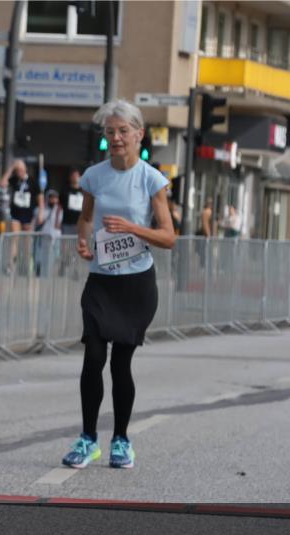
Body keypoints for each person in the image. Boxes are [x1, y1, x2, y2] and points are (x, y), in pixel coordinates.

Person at [61, 100, 174, 470]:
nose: (117, 138)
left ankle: (122, 440)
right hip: (102, 281)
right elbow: (87, 217)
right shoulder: (94, 176)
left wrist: (132, 229)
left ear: (139, 133)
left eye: (123, 131)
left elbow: (168, 237)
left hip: (137, 284)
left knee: (120, 363)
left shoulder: (151, 179)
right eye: (110, 132)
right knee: (93, 357)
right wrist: (82, 240)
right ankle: (88, 438)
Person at [0, 159, 42, 273]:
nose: (19, 173)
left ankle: (27, 264)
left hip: (28, 215)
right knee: (15, 238)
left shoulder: (32, 181)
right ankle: (11, 264)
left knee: (27, 241)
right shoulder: (15, 180)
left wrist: (41, 213)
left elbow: (40, 197)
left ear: (25, 170)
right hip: (16, 215)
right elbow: (3, 183)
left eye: (21, 170)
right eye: (17, 170)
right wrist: (11, 168)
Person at [33, 189, 62, 277]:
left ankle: (51, 273)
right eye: (51, 198)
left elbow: (58, 224)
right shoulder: (40, 209)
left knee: (53, 256)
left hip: (55, 237)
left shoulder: (59, 210)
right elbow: (39, 220)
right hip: (43, 236)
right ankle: (39, 271)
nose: (53, 200)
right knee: (40, 254)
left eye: (55, 198)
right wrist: (41, 206)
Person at [62, 167, 84, 237]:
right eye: (73, 176)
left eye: (76, 176)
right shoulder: (65, 190)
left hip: (80, 223)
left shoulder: (84, 191)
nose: (75, 178)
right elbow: (59, 207)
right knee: (66, 244)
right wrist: (57, 221)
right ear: (70, 177)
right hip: (67, 222)